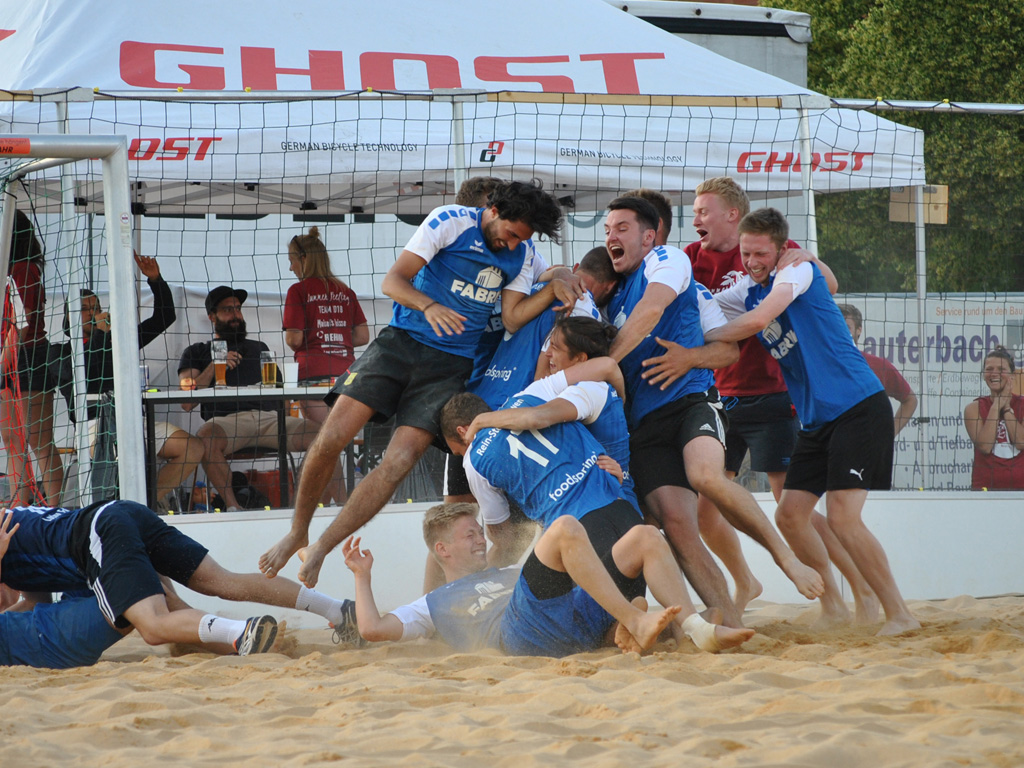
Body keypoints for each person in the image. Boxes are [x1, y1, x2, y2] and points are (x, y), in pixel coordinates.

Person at [260, 180, 564, 588]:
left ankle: (322, 547)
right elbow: (392, 282)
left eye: (521, 239)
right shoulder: (449, 221)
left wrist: (556, 282)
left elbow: (512, 317)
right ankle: (298, 531)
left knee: (399, 462)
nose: (511, 244)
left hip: (449, 367)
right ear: (493, 210)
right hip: (399, 344)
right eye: (510, 234)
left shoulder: (522, 252)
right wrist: (429, 305)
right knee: (331, 436)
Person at [602, 196, 823, 627]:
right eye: (608, 230)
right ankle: (729, 621)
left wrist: (688, 358)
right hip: (643, 426)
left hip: (692, 402)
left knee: (706, 476)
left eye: (622, 228)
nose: (612, 236)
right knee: (679, 527)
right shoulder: (609, 296)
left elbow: (725, 350)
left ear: (649, 237)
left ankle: (786, 560)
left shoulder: (667, 262)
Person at [706, 207, 919, 636]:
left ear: (782, 249)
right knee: (790, 516)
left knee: (843, 518)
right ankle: (837, 607)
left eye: (761, 253)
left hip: (858, 406)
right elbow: (708, 305)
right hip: (817, 420)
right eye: (746, 254)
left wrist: (706, 338)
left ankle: (899, 613)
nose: (752, 262)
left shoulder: (795, 271)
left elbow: (759, 320)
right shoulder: (748, 288)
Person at [345, 503, 753, 656]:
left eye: (479, 531)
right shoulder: (432, 604)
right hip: (519, 633)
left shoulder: (506, 571)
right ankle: (633, 620)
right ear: (443, 550)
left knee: (644, 536)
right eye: (469, 535)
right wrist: (363, 577)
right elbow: (372, 629)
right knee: (564, 529)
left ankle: (690, 629)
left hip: (565, 619)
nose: (481, 539)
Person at [0, 503, 359, 654]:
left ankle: (242, 632)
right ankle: (338, 610)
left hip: (97, 535)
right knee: (221, 582)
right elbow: (33, 603)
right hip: (120, 514)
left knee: (153, 627)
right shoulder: (18, 536)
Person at [70, 253, 202, 513]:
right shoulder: (64, 351)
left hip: (133, 423)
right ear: (70, 316)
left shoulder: (120, 342)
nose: (93, 313)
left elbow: (164, 318)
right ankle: (120, 509)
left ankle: (144, 504)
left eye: (96, 308)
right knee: (122, 456)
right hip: (93, 427)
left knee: (193, 448)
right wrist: (101, 333)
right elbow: (90, 366)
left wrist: (155, 280)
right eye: (85, 309)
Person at [178, 286, 317, 512]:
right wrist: (216, 365)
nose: (235, 315)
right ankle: (234, 508)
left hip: (270, 419)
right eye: (227, 310)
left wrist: (287, 415)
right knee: (204, 439)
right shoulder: (196, 351)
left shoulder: (259, 348)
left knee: (323, 435)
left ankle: (309, 506)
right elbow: (186, 401)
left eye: (238, 309)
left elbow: (281, 395)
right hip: (226, 422)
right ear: (212, 316)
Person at [283, 226, 369, 505]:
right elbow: (362, 336)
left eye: (292, 260)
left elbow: (294, 339)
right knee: (329, 444)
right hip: (347, 378)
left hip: (314, 378)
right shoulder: (345, 290)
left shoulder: (298, 291)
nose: (290, 267)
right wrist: (336, 337)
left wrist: (315, 339)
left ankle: (341, 505)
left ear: (304, 259)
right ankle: (325, 505)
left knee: (324, 445)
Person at [0, 209, 64, 504]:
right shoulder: (10, 270)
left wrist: (3, 361)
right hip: (10, 359)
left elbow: (23, 324)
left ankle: (55, 510)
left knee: (39, 441)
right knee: (12, 441)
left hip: (28, 358)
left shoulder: (23, 269)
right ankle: (19, 508)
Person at [839, 304, 918, 436]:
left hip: (866, 444)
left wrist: (889, 434)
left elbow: (910, 400)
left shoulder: (878, 366)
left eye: (846, 327)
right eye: (837, 327)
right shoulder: (821, 366)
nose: (841, 332)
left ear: (858, 330)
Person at [964, 346, 1024, 490]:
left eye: (1001, 369)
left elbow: (1021, 442)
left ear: (1012, 375)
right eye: (989, 369)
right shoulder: (973, 408)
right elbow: (985, 446)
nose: (994, 373)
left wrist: (1006, 408)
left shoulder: (1022, 404)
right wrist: (996, 406)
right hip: (985, 490)